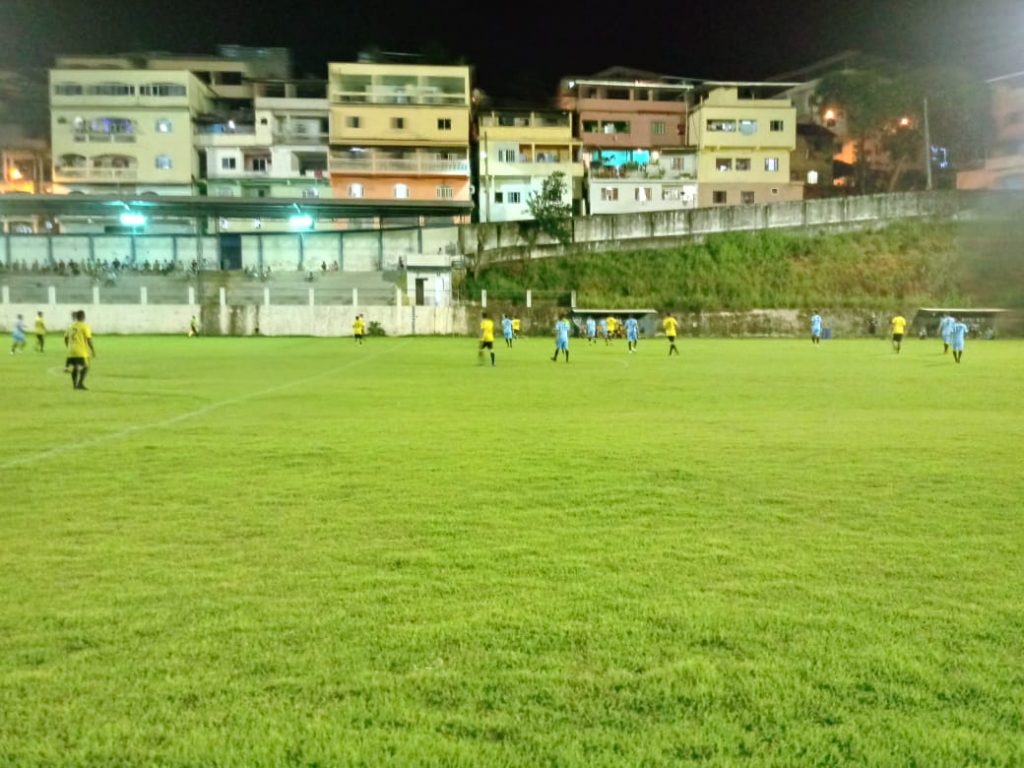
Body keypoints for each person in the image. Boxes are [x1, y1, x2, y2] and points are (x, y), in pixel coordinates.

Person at [64, 310, 95, 390]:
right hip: (81, 350)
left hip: (71, 350)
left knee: (75, 367)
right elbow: (89, 339)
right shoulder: (85, 326)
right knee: (86, 367)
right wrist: (92, 350)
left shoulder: (70, 326)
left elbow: (65, 338)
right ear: (84, 317)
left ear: (77, 317)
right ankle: (80, 383)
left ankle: (75, 385)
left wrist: (68, 346)